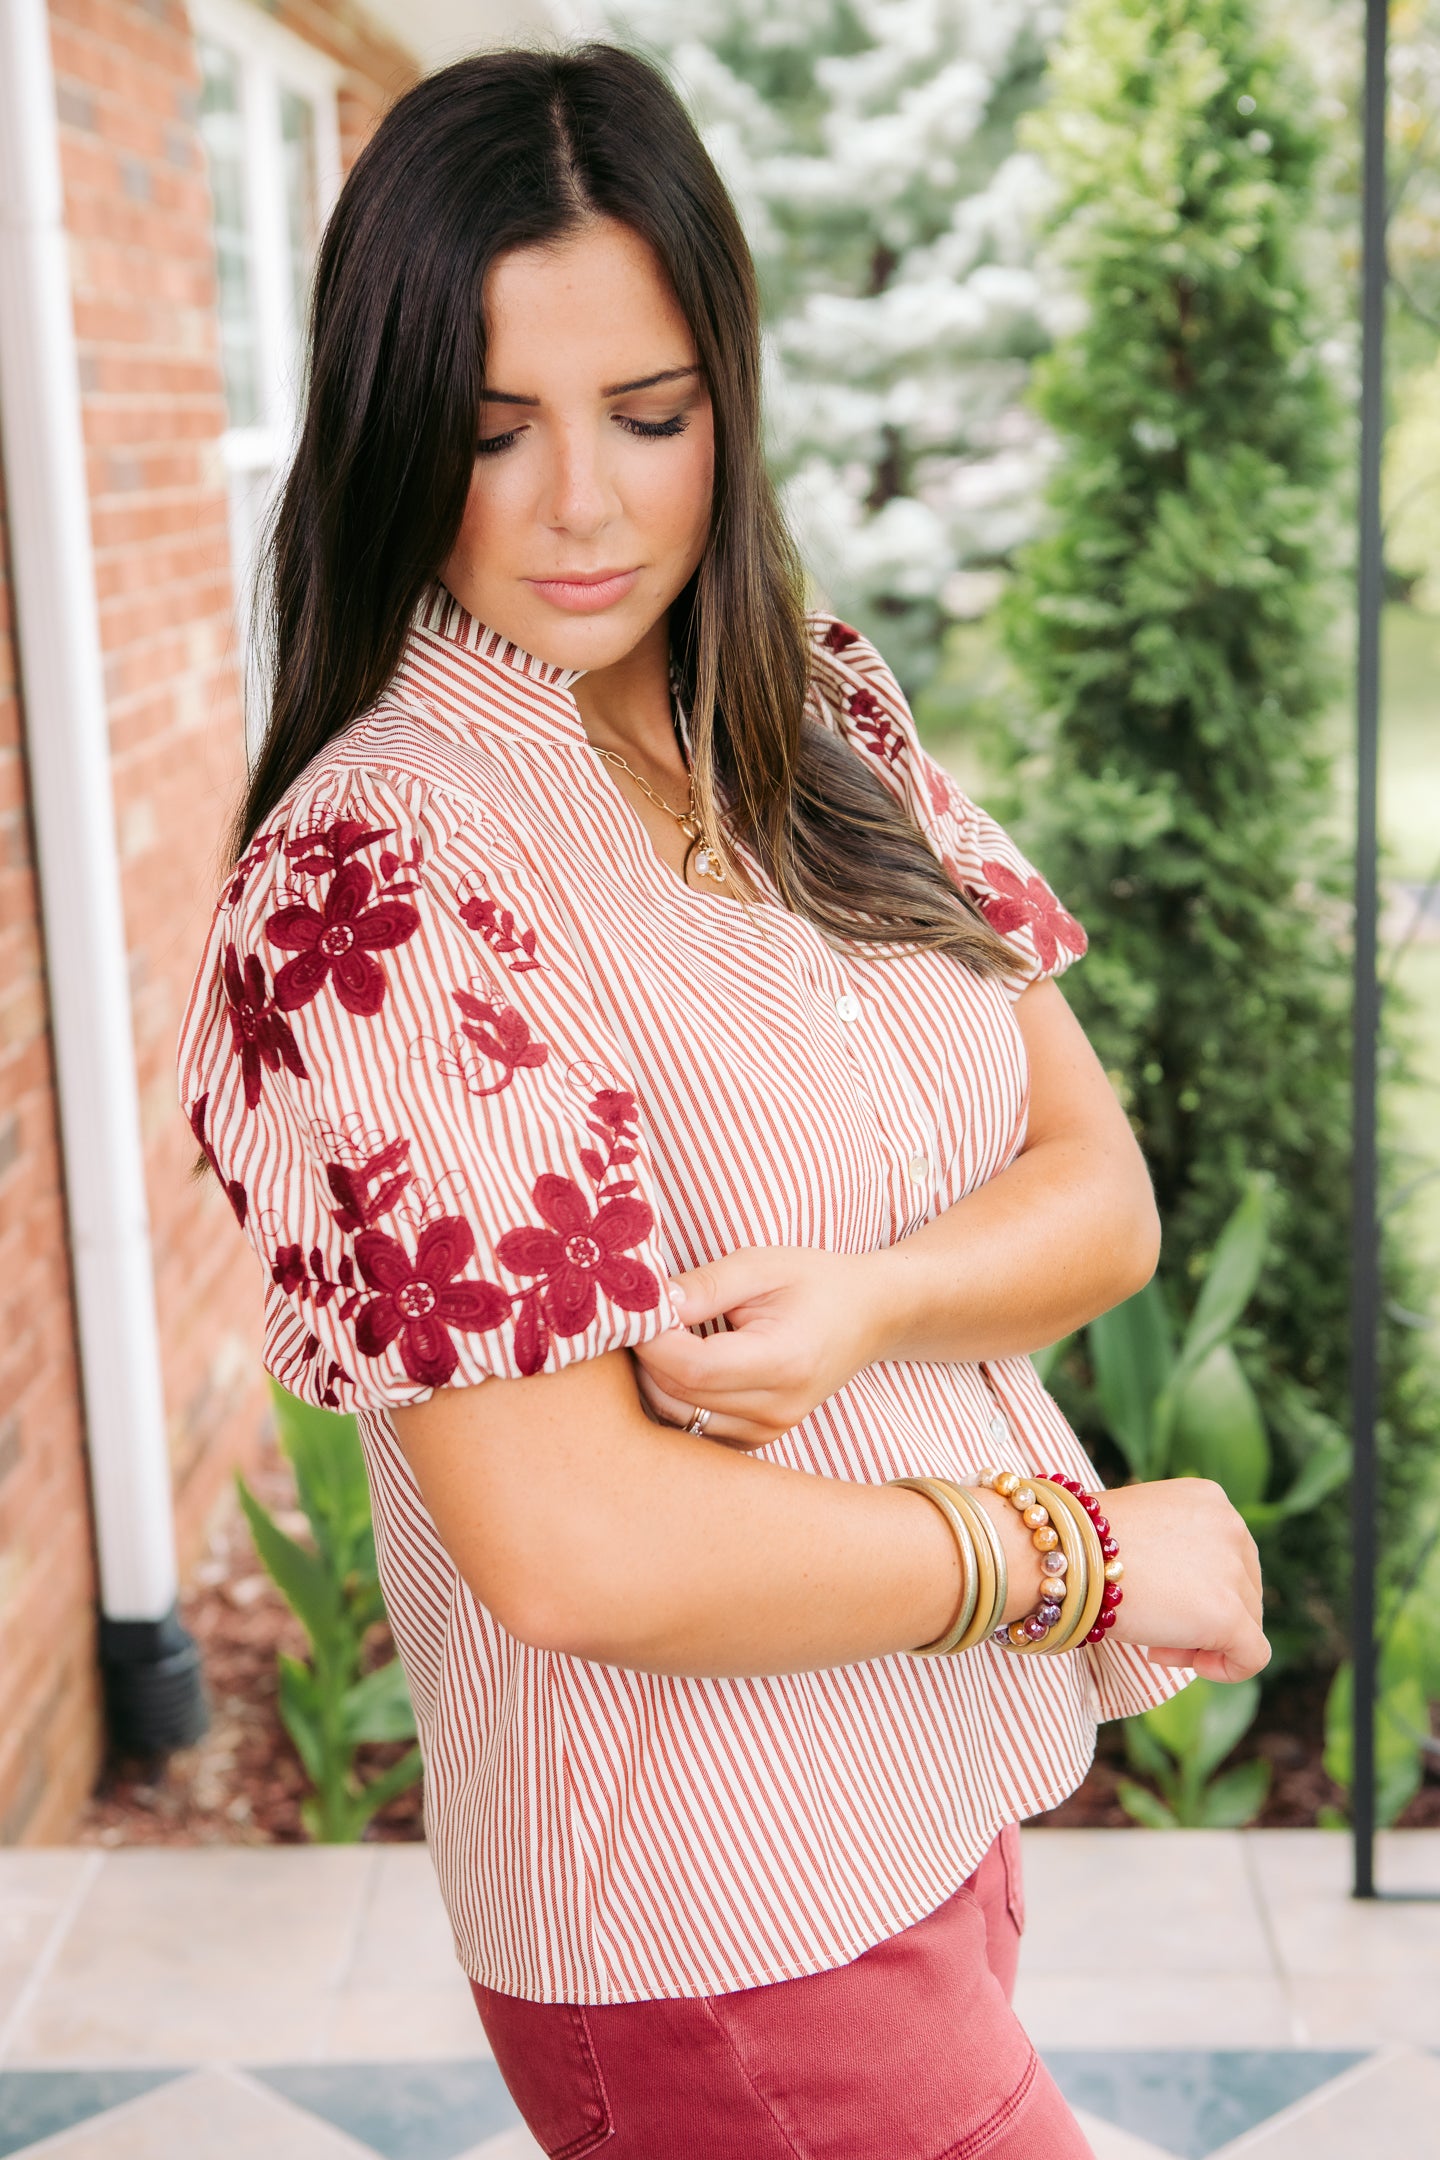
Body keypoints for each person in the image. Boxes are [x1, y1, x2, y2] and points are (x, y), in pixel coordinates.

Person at [179, 44, 1267, 2159]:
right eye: (494, 432)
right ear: (395, 433)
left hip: (925, 1810)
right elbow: (578, 1546)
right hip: (716, 1931)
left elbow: (1095, 1187)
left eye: (650, 417)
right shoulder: (380, 884)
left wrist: (862, 1308)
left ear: (730, 406)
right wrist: (1086, 1562)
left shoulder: (809, 707)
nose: (585, 504)